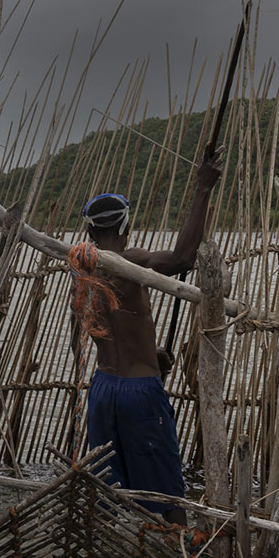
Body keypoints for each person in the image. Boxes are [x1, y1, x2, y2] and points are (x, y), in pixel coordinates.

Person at [74, 145, 223, 520]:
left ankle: (112, 555)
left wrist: (150, 355)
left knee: (109, 490)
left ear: (90, 229)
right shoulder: (131, 260)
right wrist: (202, 188)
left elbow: (112, 334)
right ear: (126, 226)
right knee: (165, 496)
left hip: (103, 391)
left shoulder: (81, 271)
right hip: (139, 395)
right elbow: (181, 260)